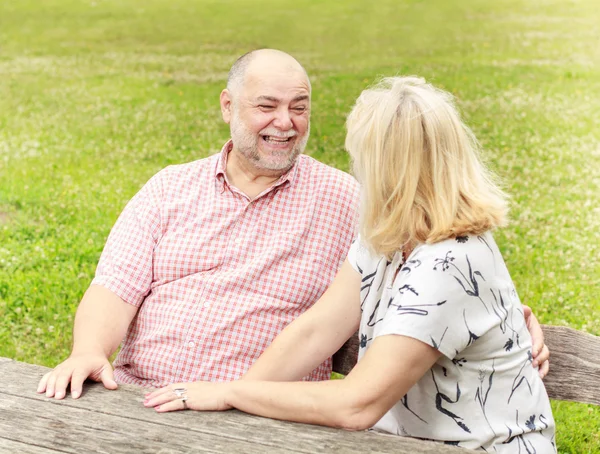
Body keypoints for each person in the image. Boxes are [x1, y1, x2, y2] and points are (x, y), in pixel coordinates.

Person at [38, 50, 548, 403]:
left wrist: (513, 318)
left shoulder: (351, 202)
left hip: (265, 413)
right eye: (267, 106)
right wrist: (87, 351)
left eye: (298, 108)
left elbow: (446, 257)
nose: (285, 122)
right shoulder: (170, 188)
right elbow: (114, 288)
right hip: (137, 393)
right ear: (227, 106)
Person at [144, 76, 556, 453]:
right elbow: (317, 330)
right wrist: (232, 400)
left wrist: (230, 395)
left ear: (387, 167)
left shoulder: (450, 261)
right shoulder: (387, 234)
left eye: (360, 153)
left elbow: (356, 404)